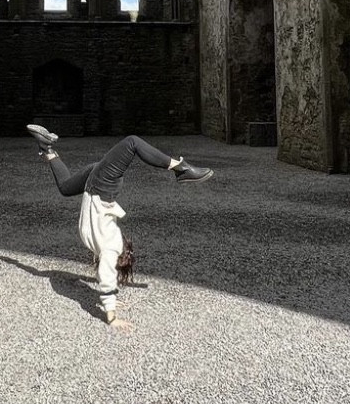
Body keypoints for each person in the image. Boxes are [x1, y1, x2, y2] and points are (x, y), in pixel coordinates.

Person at [27, 125, 213, 324]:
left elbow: (106, 275)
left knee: (132, 142)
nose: (127, 244)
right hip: (94, 183)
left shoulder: (111, 247)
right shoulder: (96, 245)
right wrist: (114, 298)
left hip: (102, 184)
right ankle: (47, 150)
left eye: (127, 251)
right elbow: (106, 271)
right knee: (66, 187)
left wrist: (112, 316)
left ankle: (181, 169)